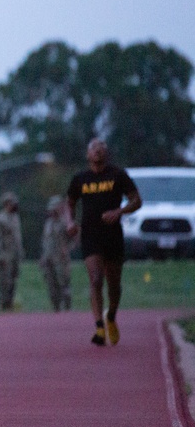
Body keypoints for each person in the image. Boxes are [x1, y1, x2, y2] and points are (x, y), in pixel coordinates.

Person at [66, 138, 142, 346]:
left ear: (106, 154)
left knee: (114, 283)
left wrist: (119, 211)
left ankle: (111, 316)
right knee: (96, 279)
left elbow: (137, 200)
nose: (98, 152)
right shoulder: (81, 178)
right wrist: (70, 221)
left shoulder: (117, 175)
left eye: (102, 149)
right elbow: (70, 202)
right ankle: (99, 326)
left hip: (113, 235)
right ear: (87, 154)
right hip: (90, 235)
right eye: (94, 149)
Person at [0, 192, 24, 311]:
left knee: (13, 279)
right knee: (5, 280)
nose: (15, 206)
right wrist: (0, 255)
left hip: (15, 254)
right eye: (12, 203)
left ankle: (10, 303)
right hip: (5, 254)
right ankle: (4, 304)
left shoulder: (15, 217)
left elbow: (18, 236)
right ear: (6, 204)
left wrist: (20, 252)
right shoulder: (0, 218)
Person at [40, 195, 74, 312]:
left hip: (61, 258)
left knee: (64, 284)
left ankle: (67, 308)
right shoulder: (48, 223)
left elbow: (74, 238)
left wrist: (67, 249)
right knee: (51, 285)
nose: (52, 211)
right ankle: (56, 308)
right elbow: (45, 241)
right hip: (48, 258)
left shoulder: (65, 222)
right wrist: (43, 257)